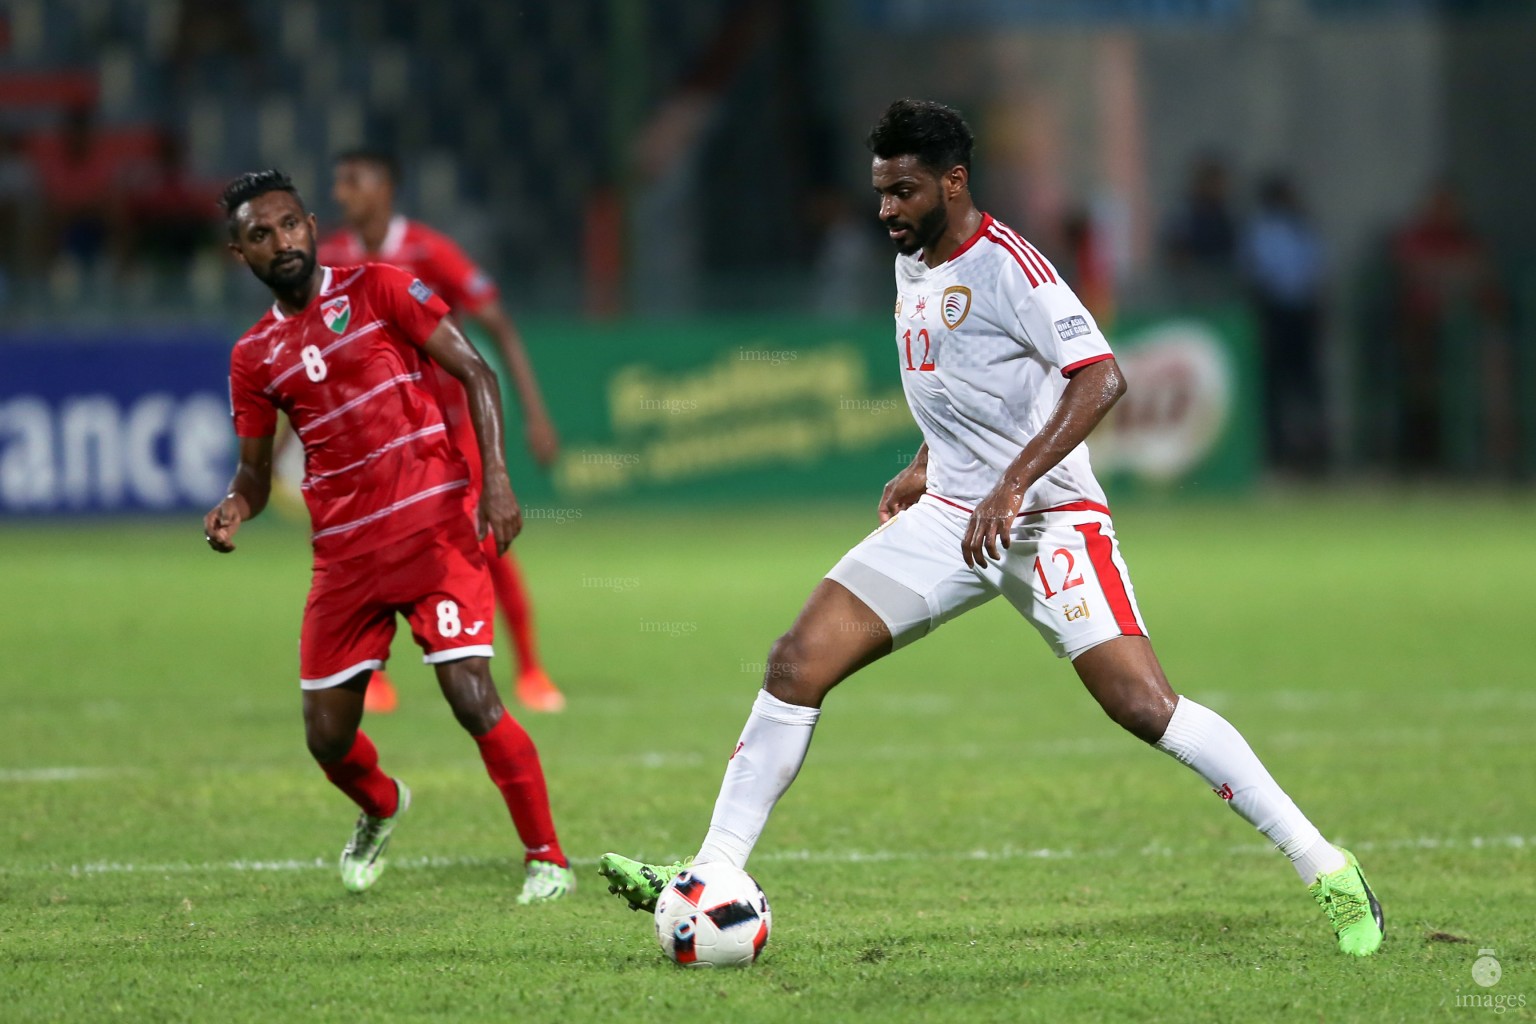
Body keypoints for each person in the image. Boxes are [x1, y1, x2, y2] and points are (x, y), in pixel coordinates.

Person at [598, 100, 1384, 957]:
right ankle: (710, 874)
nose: (887, 210)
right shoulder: (914, 262)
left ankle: (1327, 867)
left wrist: (1011, 486)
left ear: (954, 181)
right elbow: (968, 393)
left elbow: (1100, 377)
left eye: (903, 191)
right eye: (880, 192)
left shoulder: (1013, 268)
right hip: (950, 519)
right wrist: (925, 464)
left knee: (1143, 705)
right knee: (794, 664)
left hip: (1047, 519)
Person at [204, 170, 573, 903]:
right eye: (259, 235)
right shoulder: (252, 358)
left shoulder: (379, 289)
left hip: (432, 532)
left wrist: (495, 476)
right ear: (238, 254)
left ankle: (548, 857)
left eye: (288, 225)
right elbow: (252, 473)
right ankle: (381, 806)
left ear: (310, 225)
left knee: (471, 696)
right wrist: (234, 507)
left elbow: (477, 373)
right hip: (344, 558)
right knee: (326, 739)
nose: (280, 242)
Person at [313, 147, 564, 715]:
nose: (341, 193)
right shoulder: (328, 258)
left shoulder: (428, 251)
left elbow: (499, 326)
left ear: (385, 188)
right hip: (375, 441)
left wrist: (535, 414)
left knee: (489, 544)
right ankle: (369, 677)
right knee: (366, 555)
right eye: (338, 182)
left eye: (352, 180)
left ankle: (531, 669)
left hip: (451, 433)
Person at [1240, 173, 1327, 476]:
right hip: (1275, 313)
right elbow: (1259, 274)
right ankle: (1277, 455)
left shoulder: (1301, 228)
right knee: (1274, 388)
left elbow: (1315, 272)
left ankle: (1314, 455)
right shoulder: (1262, 230)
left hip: (1302, 313)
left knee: (1307, 387)